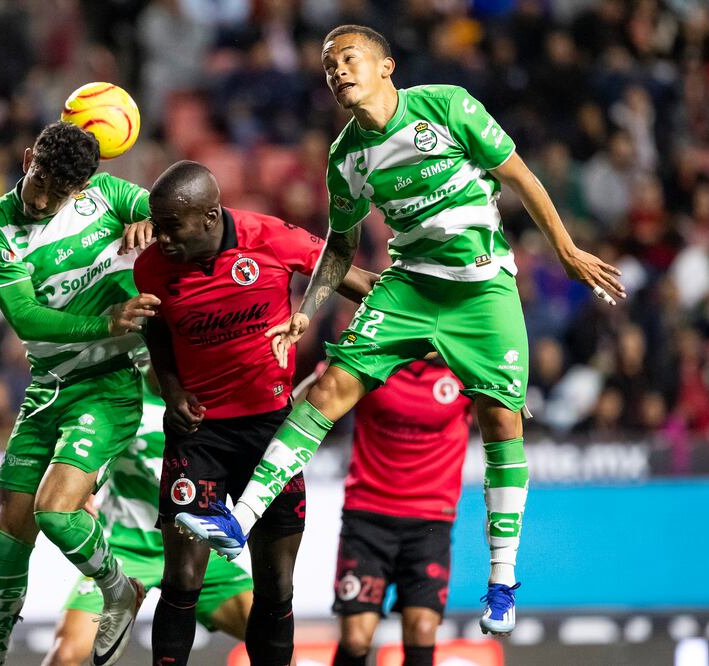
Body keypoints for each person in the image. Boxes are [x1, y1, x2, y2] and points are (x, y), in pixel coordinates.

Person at [175, 24, 627, 636]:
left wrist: (567, 250)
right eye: (328, 65)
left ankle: (501, 579)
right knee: (331, 389)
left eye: (348, 58)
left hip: (481, 288)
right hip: (409, 286)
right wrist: (307, 309)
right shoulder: (345, 159)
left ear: (387, 65)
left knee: (501, 422)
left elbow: (519, 175)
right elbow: (339, 247)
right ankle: (241, 515)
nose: (337, 71)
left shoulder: (447, 106)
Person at [134, 161, 377, 666]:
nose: (160, 238)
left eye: (171, 226)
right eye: (156, 226)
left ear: (208, 216)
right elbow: (156, 327)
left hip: (272, 432)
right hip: (197, 432)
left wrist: (430, 310)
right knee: (181, 580)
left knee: (276, 584)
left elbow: (347, 275)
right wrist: (172, 387)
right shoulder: (153, 265)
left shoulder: (268, 238)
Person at [0, 121, 160, 666]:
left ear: (82, 189)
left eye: (59, 193)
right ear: (28, 157)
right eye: (38, 180)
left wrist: (153, 221)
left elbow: (185, 212)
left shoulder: (111, 196)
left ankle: (119, 588)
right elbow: (26, 317)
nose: (43, 199)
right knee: (10, 530)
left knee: (56, 513)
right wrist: (108, 320)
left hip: (111, 383)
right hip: (48, 388)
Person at [43, 367, 254, 666]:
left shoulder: (209, 387)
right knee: (64, 656)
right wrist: (83, 484)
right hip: (127, 549)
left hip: (195, 548)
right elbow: (84, 439)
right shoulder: (125, 388)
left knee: (274, 639)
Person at [300, 360, 471, 666]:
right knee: (355, 637)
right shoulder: (375, 356)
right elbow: (308, 403)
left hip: (430, 524)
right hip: (367, 517)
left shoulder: (466, 364)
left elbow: (505, 423)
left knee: (422, 629)